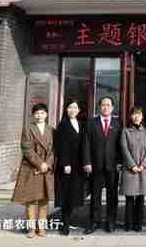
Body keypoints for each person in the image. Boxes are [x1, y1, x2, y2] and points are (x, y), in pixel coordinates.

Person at [11, 103, 54, 238]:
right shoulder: (28, 129)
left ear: (46, 114)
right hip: (31, 167)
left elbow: (54, 151)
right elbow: (26, 148)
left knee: (43, 200)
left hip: (46, 169)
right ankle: (31, 229)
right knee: (31, 200)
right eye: (37, 113)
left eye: (42, 113)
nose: (39, 115)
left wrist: (47, 164)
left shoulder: (51, 130)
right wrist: (39, 164)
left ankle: (41, 228)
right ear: (33, 115)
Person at [82, 96, 122, 234]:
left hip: (112, 166)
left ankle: (111, 222)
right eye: (103, 105)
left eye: (108, 105)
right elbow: (86, 144)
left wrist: (120, 162)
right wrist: (87, 162)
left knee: (112, 196)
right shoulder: (91, 123)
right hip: (95, 165)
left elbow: (120, 145)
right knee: (95, 196)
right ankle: (94, 221)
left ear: (112, 108)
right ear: (99, 107)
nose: (105, 107)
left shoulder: (118, 123)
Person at [54, 99, 86, 236]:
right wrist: (65, 163)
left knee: (73, 195)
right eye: (70, 107)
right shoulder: (63, 125)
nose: (72, 110)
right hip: (67, 165)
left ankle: (68, 220)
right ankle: (64, 224)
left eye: (75, 107)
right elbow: (61, 146)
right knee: (66, 195)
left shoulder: (80, 124)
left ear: (79, 110)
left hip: (78, 165)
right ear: (66, 110)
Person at [119, 106, 146, 232]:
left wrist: (143, 165)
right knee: (130, 198)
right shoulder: (125, 131)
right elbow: (124, 148)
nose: (136, 117)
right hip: (129, 169)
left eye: (138, 114)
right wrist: (132, 165)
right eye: (134, 114)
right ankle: (128, 223)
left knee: (140, 198)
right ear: (130, 117)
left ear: (142, 117)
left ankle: (138, 224)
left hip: (143, 169)